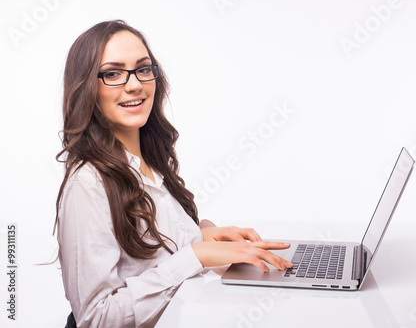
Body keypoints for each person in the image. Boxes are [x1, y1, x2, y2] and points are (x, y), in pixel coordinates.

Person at [55, 20, 293, 328]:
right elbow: (96, 318)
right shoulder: (87, 184)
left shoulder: (150, 164)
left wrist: (202, 237)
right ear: (87, 88)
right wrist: (195, 254)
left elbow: (144, 262)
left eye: (143, 68)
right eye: (113, 73)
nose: (134, 84)